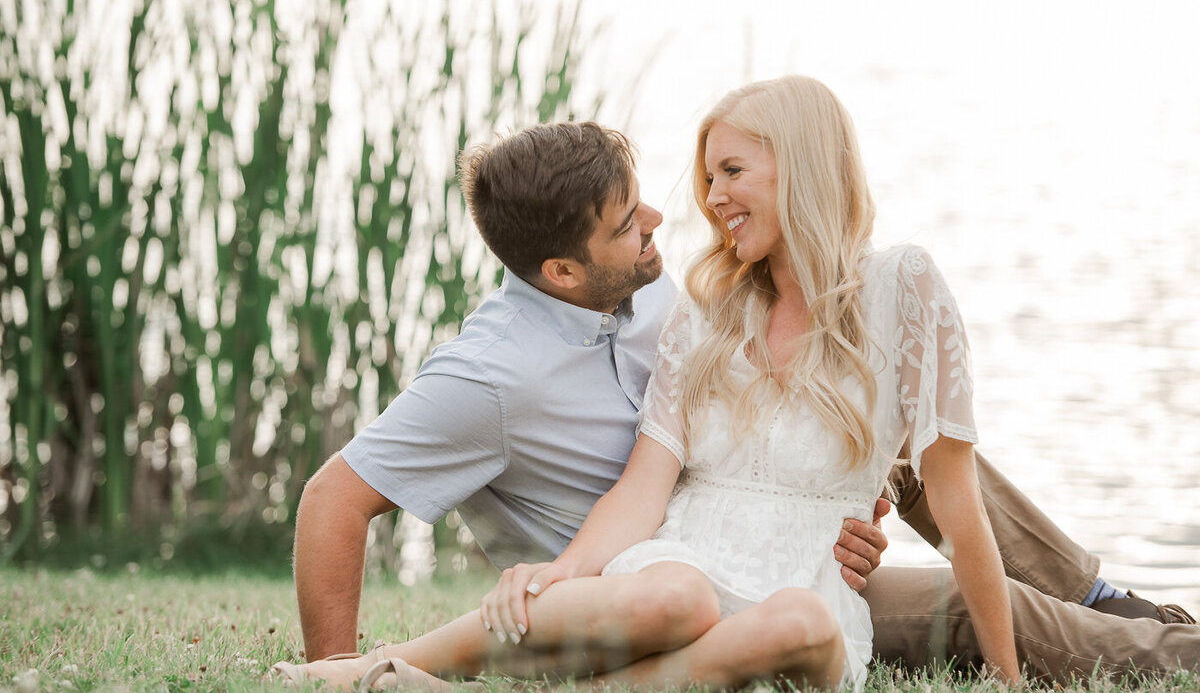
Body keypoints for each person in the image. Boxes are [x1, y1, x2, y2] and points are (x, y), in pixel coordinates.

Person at [282, 117, 1198, 688]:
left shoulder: (653, 301)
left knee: (915, 436)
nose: (660, 223)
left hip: (774, 526)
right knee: (972, 605)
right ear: (561, 271)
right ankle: (1171, 654)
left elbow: (777, 426)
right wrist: (339, 662)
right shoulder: (483, 378)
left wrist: (854, 500)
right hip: (654, 581)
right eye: (627, 222)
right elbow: (333, 499)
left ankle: (1101, 591)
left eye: (643, 203)